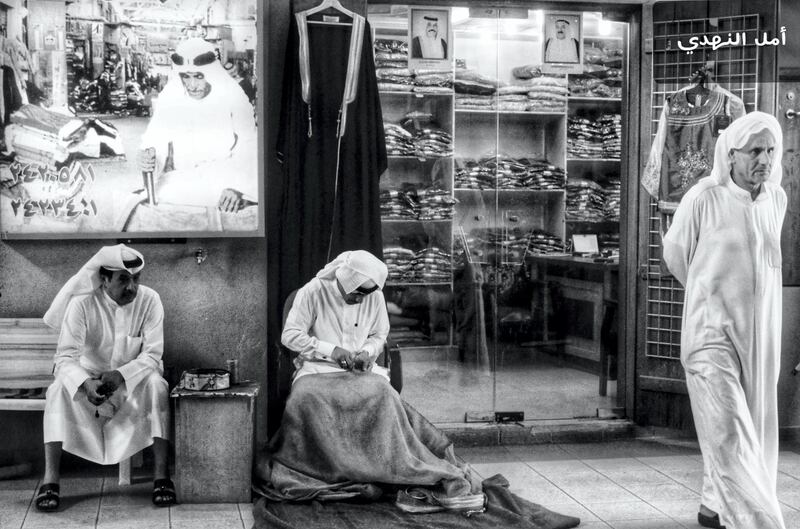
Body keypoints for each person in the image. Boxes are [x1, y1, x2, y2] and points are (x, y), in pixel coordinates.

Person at [663, 111, 787, 529]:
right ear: (731, 154)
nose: (764, 160)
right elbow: (676, 256)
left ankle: (712, 506)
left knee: (750, 427)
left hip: (760, 339)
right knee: (730, 432)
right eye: (755, 151)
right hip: (710, 335)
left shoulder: (776, 199)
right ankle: (760, 522)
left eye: (770, 150)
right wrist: (709, 297)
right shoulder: (704, 197)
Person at [36, 244, 174, 511]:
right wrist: (86, 383)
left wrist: (121, 375)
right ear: (105, 278)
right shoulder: (81, 304)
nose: (132, 287)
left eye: (136, 279)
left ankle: (162, 476)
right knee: (56, 392)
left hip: (134, 383)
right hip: (90, 383)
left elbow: (153, 355)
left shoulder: (150, 300)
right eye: (124, 279)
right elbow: (65, 357)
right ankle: (50, 480)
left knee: (158, 385)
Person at [139, 38, 257, 214]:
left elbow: (250, 143)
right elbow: (154, 138)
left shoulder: (233, 94)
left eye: (198, 76)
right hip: (181, 179)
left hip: (225, 177)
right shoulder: (170, 96)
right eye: (186, 77)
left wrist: (237, 188)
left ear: (210, 73)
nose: (192, 85)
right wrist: (149, 156)